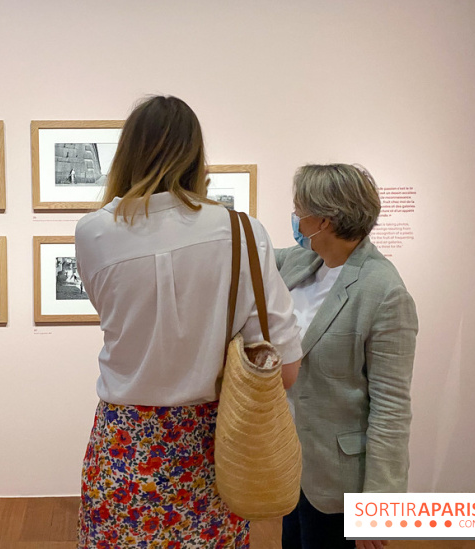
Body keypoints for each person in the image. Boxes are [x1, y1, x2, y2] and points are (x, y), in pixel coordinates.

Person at [74, 96, 303, 548]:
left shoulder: (93, 232)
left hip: (123, 445)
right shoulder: (242, 231)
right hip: (213, 446)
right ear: (197, 156)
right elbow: (285, 367)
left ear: (126, 154)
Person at [278, 164, 418, 549]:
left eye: (299, 210)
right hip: (292, 465)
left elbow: (391, 407)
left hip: (339, 480)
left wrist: (380, 507)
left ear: (323, 220)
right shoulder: (301, 262)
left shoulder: (384, 292)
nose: (295, 219)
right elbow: (247, 254)